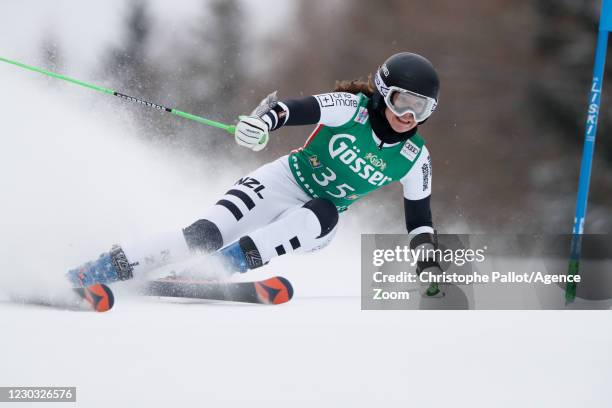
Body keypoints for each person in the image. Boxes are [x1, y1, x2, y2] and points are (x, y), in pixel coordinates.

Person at [67, 52, 443, 289]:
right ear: (381, 92)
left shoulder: (414, 157)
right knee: (203, 234)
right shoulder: (351, 108)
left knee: (324, 210)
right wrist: (264, 122)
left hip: (316, 221)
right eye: (401, 101)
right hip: (282, 180)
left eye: (421, 109)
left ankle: (218, 269)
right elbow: (296, 109)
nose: (407, 116)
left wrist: (426, 255)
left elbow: (419, 218)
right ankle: (95, 271)